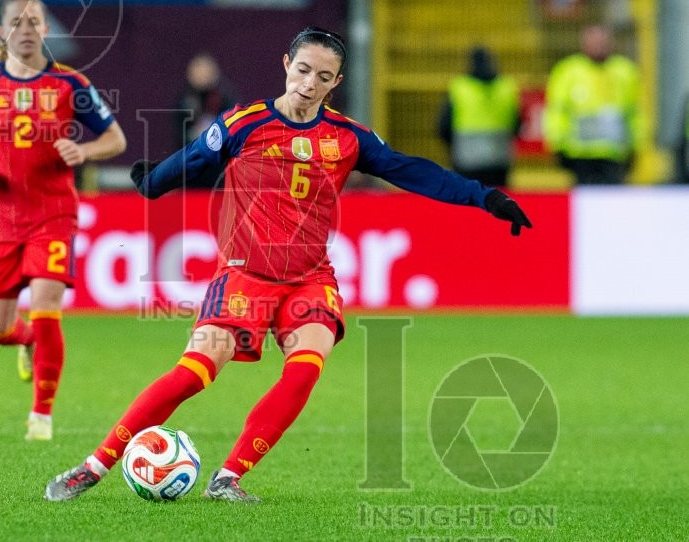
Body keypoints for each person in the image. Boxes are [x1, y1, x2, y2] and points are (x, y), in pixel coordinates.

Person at [44, 27, 531, 502]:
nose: (309, 84)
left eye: (323, 77)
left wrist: (485, 197)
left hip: (309, 277)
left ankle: (228, 478)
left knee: (304, 370)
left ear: (336, 82)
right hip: (244, 273)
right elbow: (194, 157)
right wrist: (155, 182)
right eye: (302, 70)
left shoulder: (348, 137)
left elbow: (413, 171)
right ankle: (93, 467)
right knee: (195, 372)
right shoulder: (244, 123)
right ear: (285, 65)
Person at [0, 0, 127, 441]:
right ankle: (26, 340)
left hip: (53, 215)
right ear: (2, 31)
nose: (26, 29)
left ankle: (41, 418)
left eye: (34, 22)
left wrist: (84, 150)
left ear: (46, 30)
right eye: (17, 22)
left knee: (47, 309)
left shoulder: (70, 84)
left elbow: (116, 139)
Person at [542, 24, 643, 185]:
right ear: (584, 44)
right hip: (579, 154)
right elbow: (557, 110)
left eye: (603, 42)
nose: (599, 47)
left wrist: (635, 145)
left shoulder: (625, 71)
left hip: (614, 154)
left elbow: (634, 112)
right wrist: (557, 145)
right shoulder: (568, 71)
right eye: (594, 43)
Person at [438, 46, 521, 186]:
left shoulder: (460, 87)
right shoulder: (506, 86)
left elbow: (444, 126)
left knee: (467, 197)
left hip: (466, 159)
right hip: (499, 159)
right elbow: (517, 123)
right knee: (496, 197)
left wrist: (453, 148)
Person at [173, 53, 239, 188]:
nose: (202, 75)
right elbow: (179, 135)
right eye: (198, 70)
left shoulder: (224, 101)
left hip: (218, 169)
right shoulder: (184, 102)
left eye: (206, 70)